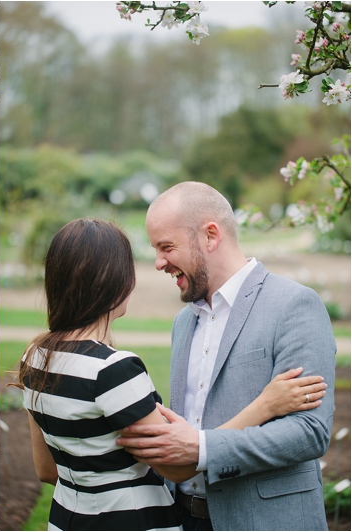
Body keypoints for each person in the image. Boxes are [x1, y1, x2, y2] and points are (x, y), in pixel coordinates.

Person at [19, 218, 327, 531]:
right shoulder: (114, 369)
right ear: (117, 281)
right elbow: (178, 469)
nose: (156, 264)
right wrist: (265, 406)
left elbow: (47, 470)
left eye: (166, 247)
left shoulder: (34, 358)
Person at [116, 181, 336, 530]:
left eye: (166, 247)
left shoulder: (295, 305)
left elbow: (309, 432)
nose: (158, 263)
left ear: (211, 235)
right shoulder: (182, 323)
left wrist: (203, 449)